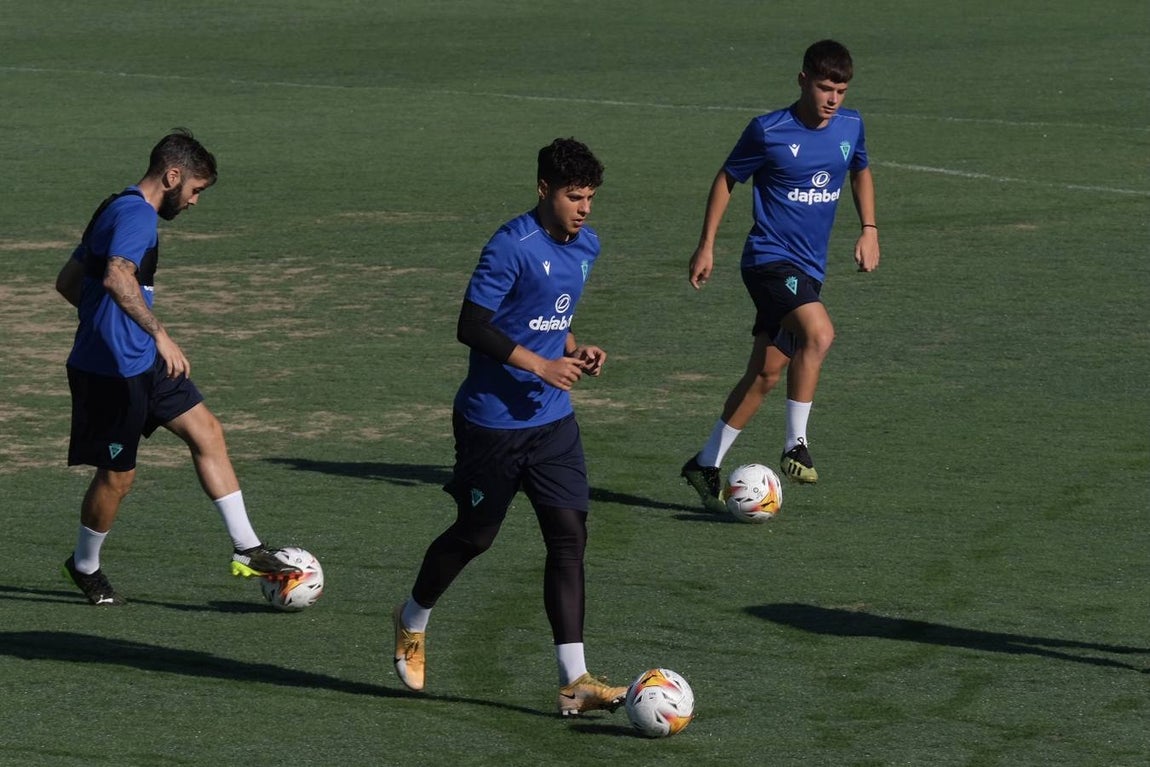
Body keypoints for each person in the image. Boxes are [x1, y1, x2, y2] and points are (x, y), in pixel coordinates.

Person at [392, 137, 626, 717]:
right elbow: (472, 326)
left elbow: (551, 317)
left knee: (569, 538)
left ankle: (575, 680)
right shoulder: (510, 245)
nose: (585, 208)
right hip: (491, 426)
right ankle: (412, 617)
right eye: (575, 196)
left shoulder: (587, 244)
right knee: (475, 536)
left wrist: (575, 347)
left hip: (552, 425)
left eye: (591, 197)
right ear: (544, 189)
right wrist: (542, 364)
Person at [55, 128, 299, 606]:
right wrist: (155, 334)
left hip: (141, 362)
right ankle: (84, 566)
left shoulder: (112, 206)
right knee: (118, 478)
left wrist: (109, 325)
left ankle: (247, 548)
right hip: (112, 373)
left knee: (207, 431)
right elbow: (117, 277)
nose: (194, 202)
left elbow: (69, 281)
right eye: (195, 190)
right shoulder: (137, 218)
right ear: (172, 176)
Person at [680, 39, 881, 512]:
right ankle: (795, 445)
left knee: (767, 373)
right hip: (768, 260)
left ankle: (705, 463)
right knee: (820, 332)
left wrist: (869, 228)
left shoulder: (850, 125)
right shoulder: (768, 131)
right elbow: (727, 178)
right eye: (824, 87)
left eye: (841, 90)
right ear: (802, 81)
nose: (833, 99)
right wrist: (706, 244)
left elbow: (861, 169)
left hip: (810, 267)